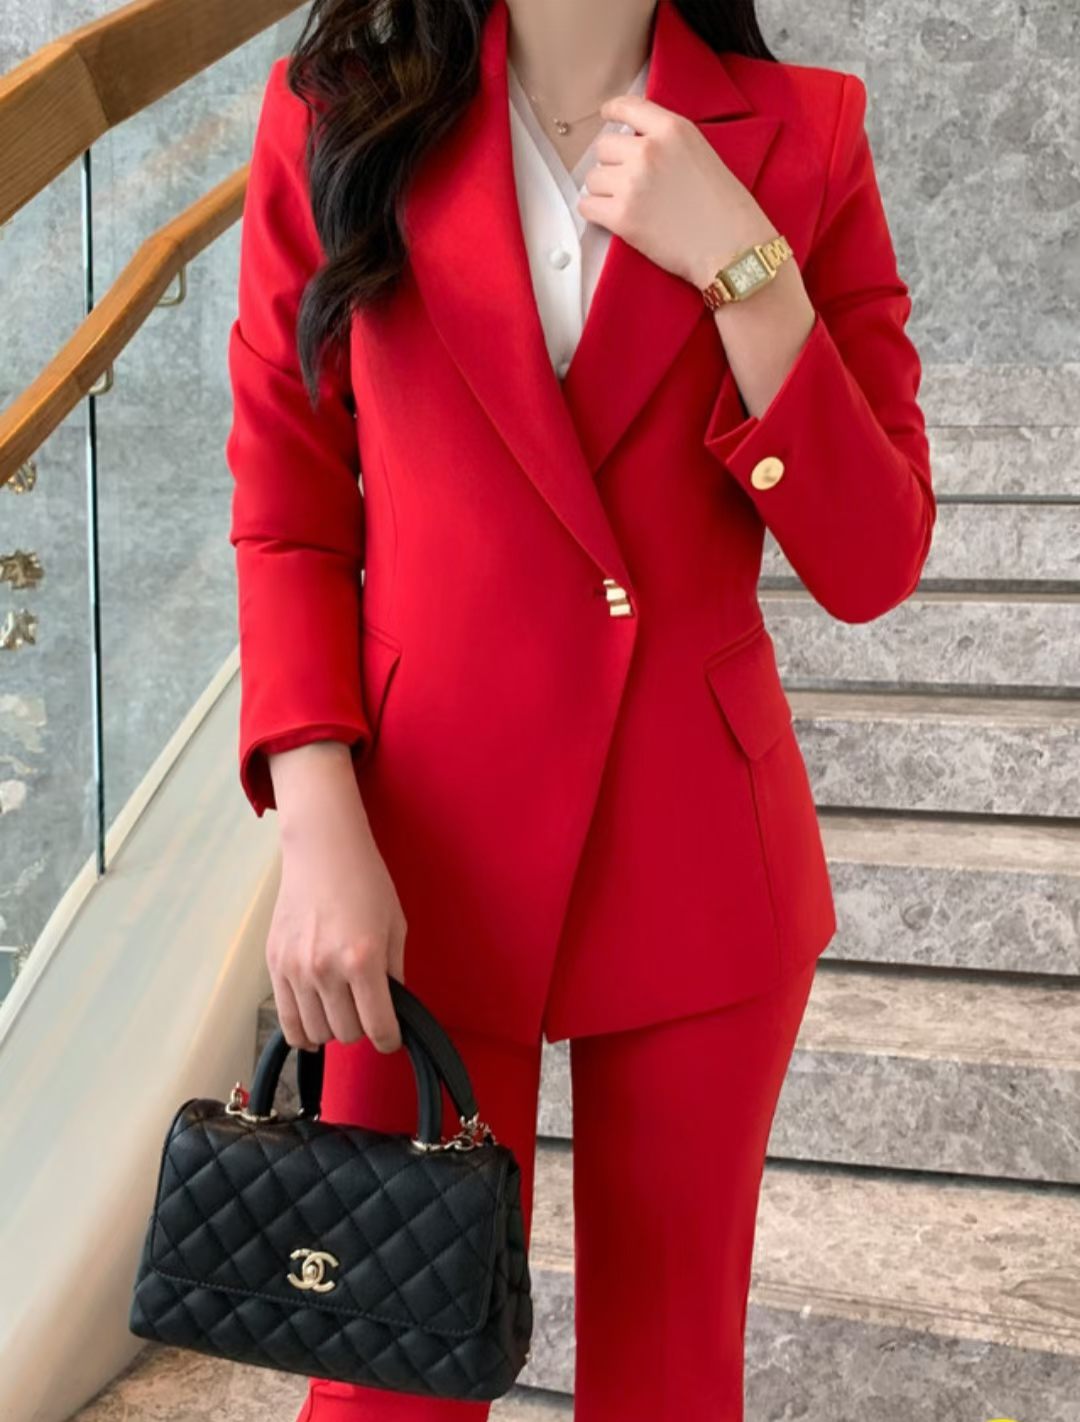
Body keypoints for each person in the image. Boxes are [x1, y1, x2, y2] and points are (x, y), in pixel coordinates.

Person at [224, 0, 936, 1417]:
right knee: (383, 1385)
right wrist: (316, 820)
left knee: (669, 1380)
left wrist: (744, 267)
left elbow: (873, 561)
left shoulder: (805, 134)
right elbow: (290, 505)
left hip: (697, 850)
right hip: (417, 857)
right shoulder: (338, 112)